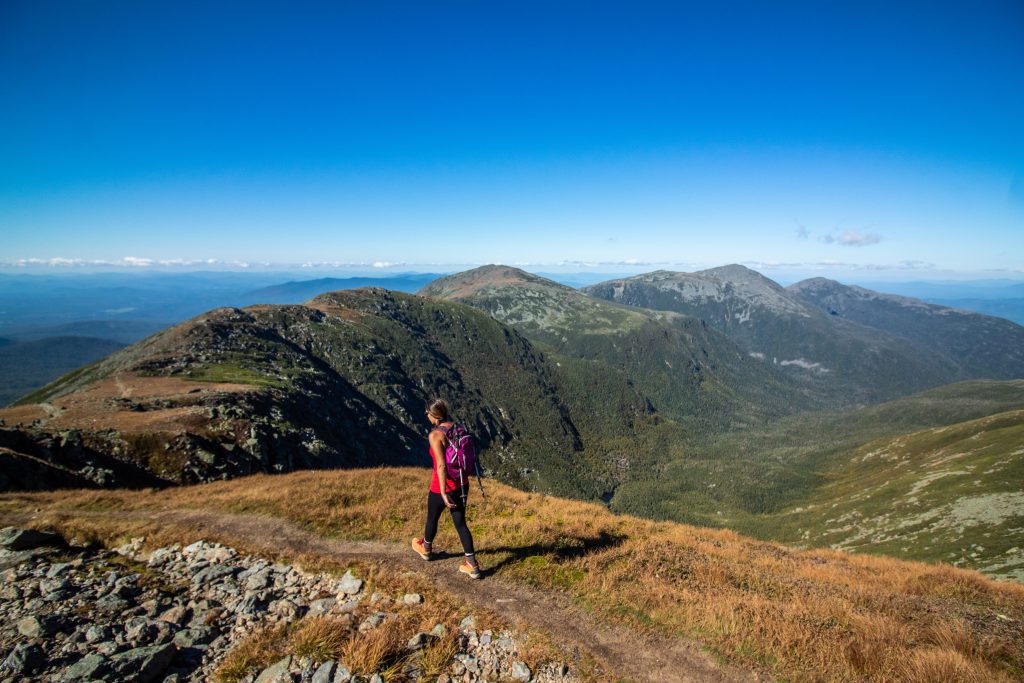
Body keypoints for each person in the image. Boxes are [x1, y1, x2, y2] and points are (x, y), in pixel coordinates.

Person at [410, 398, 482, 579]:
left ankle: (426, 548)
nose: (426, 415)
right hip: (462, 484)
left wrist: (442, 491)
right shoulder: (458, 429)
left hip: (442, 486)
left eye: (427, 412)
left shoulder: (435, 436)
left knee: (432, 518)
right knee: (460, 524)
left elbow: (441, 466)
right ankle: (472, 564)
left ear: (434, 415)